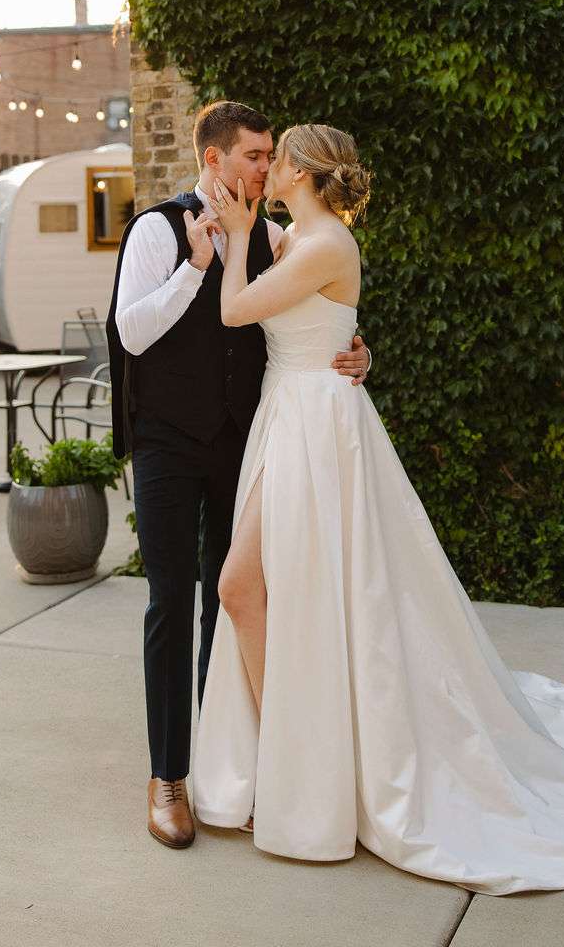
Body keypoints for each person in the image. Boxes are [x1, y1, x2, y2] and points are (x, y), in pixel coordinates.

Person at [190, 121, 564, 894]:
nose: (268, 166)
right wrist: (316, 302)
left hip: (319, 426)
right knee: (258, 588)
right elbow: (314, 311)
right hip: (287, 415)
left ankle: (295, 765)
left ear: (301, 167)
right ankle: (287, 755)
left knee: (276, 588)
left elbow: (238, 311)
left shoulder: (327, 243)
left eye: (278, 153)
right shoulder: (293, 235)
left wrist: (236, 244)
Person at [104, 100, 372, 851]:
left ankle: (234, 767)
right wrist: (196, 265)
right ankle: (168, 778)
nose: (264, 166)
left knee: (234, 600)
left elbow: (322, 306)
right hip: (166, 444)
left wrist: (358, 352)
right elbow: (130, 331)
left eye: (269, 157)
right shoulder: (156, 230)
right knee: (170, 600)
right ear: (214, 159)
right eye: (254, 156)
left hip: (240, 441)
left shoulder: (277, 235)